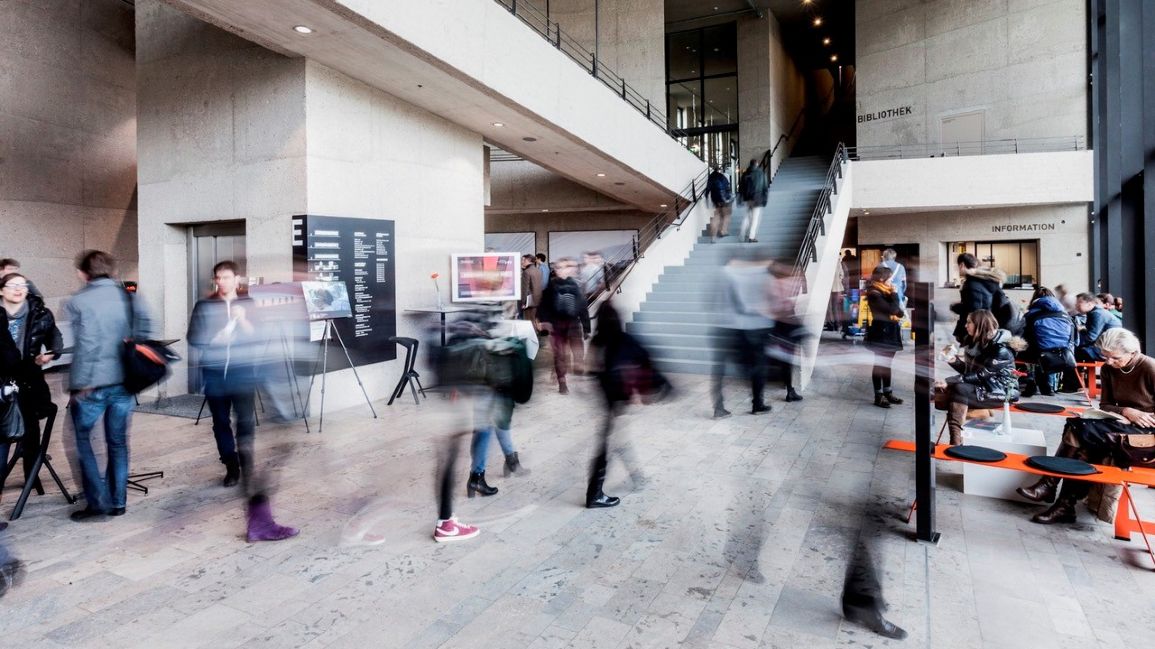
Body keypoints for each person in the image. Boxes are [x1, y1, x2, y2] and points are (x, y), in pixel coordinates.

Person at [1018, 328, 1155, 525]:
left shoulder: (1150, 368)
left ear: (1132, 352)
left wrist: (1137, 416)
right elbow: (1106, 405)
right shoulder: (1109, 370)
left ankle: (1052, 487)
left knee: (1078, 429)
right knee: (1081, 435)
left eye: (1114, 357)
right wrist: (1125, 411)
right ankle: (1062, 503)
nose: (1108, 362)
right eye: (1104, 357)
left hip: (1146, 431)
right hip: (1121, 424)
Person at [66, 250, 153, 521]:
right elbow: (146, 330)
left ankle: (97, 503)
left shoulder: (78, 301)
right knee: (117, 443)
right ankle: (118, 502)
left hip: (93, 384)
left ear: (84, 273)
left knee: (82, 440)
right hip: (124, 382)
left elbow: (85, 345)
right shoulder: (128, 296)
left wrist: (79, 384)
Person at [586, 301, 670, 509]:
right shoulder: (625, 340)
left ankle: (636, 476)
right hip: (618, 400)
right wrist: (640, 392)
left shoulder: (598, 341)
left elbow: (592, 371)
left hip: (607, 399)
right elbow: (646, 360)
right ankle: (594, 494)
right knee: (608, 444)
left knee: (614, 439)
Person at [187, 261, 258, 488]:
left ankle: (247, 465)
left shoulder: (249, 303)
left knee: (245, 421)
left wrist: (244, 319)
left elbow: (259, 336)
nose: (221, 282)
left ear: (237, 279)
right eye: (218, 278)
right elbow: (192, 337)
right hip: (214, 374)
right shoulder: (204, 305)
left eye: (226, 277)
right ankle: (231, 465)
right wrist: (212, 341)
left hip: (243, 373)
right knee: (220, 422)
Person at [0, 272, 63, 497]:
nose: (18, 289)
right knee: (3, 431)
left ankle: (31, 476)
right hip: (3, 380)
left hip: (29, 380)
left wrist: (51, 354)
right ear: (1, 290)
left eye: (22, 285)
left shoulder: (40, 314)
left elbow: (55, 337)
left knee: (30, 430)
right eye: (12, 285)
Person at [935, 310, 1024, 445]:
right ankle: (961, 435)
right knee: (945, 392)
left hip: (1003, 391)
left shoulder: (1001, 349)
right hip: (985, 386)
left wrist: (948, 381)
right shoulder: (980, 343)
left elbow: (981, 374)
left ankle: (956, 440)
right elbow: (970, 372)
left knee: (959, 388)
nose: (966, 325)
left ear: (980, 325)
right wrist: (954, 360)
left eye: (969, 322)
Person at [711, 251, 773, 417]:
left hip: (718, 326)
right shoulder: (732, 276)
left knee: (719, 369)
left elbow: (709, 301)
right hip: (735, 328)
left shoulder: (716, 275)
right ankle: (757, 404)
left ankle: (718, 407)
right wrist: (759, 311)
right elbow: (741, 305)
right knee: (755, 365)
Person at [538, 257, 590, 394]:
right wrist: (545, 321)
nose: (562, 270)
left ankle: (574, 373)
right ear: (555, 270)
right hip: (557, 325)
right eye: (559, 267)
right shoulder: (551, 286)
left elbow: (583, 308)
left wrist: (586, 328)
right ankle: (562, 383)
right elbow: (543, 306)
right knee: (559, 354)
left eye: (566, 267)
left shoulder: (576, 286)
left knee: (577, 354)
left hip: (573, 324)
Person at [1020, 287, 1074, 396]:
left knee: (1025, 349)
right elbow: (1074, 338)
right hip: (1064, 354)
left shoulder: (1031, 314)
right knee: (1043, 351)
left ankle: (1031, 382)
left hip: (1038, 353)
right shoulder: (1065, 315)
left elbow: (1025, 335)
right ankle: (1046, 386)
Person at [864, 265, 905, 409]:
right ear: (882, 278)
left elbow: (899, 313)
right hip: (881, 332)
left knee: (887, 364)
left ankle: (888, 392)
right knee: (879, 364)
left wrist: (893, 297)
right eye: (889, 278)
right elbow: (893, 309)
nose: (891, 281)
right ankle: (878, 395)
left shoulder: (885, 291)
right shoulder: (874, 293)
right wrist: (894, 294)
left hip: (891, 330)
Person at [949, 253, 1005, 344]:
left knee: (975, 352)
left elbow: (975, 310)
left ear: (962, 265)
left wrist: (956, 307)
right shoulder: (986, 279)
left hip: (977, 328)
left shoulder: (972, 283)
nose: (957, 269)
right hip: (988, 324)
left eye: (957, 266)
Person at [1073, 292, 1121, 361]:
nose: (1076, 306)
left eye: (1078, 303)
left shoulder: (1097, 314)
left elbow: (1091, 337)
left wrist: (1074, 342)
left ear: (1089, 304)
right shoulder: (1095, 312)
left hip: (1109, 350)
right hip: (1107, 347)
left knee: (1071, 353)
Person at [737, 159, 768, 243]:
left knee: (746, 216)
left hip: (748, 199)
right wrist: (765, 200)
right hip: (757, 198)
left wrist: (740, 199)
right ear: (757, 164)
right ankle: (751, 237)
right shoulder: (761, 173)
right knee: (755, 219)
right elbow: (765, 188)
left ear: (750, 164)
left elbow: (741, 188)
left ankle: (742, 233)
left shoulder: (745, 174)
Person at [706, 165, 733, 243]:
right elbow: (727, 187)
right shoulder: (722, 177)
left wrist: (707, 198)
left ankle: (713, 236)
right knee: (727, 215)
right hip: (723, 199)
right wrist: (728, 198)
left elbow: (707, 189)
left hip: (715, 199)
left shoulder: (710, 177)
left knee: (716, 216)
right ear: (719, 170)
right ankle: (723, 231)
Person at [520, 254, 543, 332]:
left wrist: (523, 302)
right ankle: (537, 337)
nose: (522, 262)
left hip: (529, 301)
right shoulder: (538, 270)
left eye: (524, 260)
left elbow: (525, 289)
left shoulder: (526, 272)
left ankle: (533, 340)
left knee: (529, 321)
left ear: (528, 261)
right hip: (538, 299)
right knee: (535, 319)